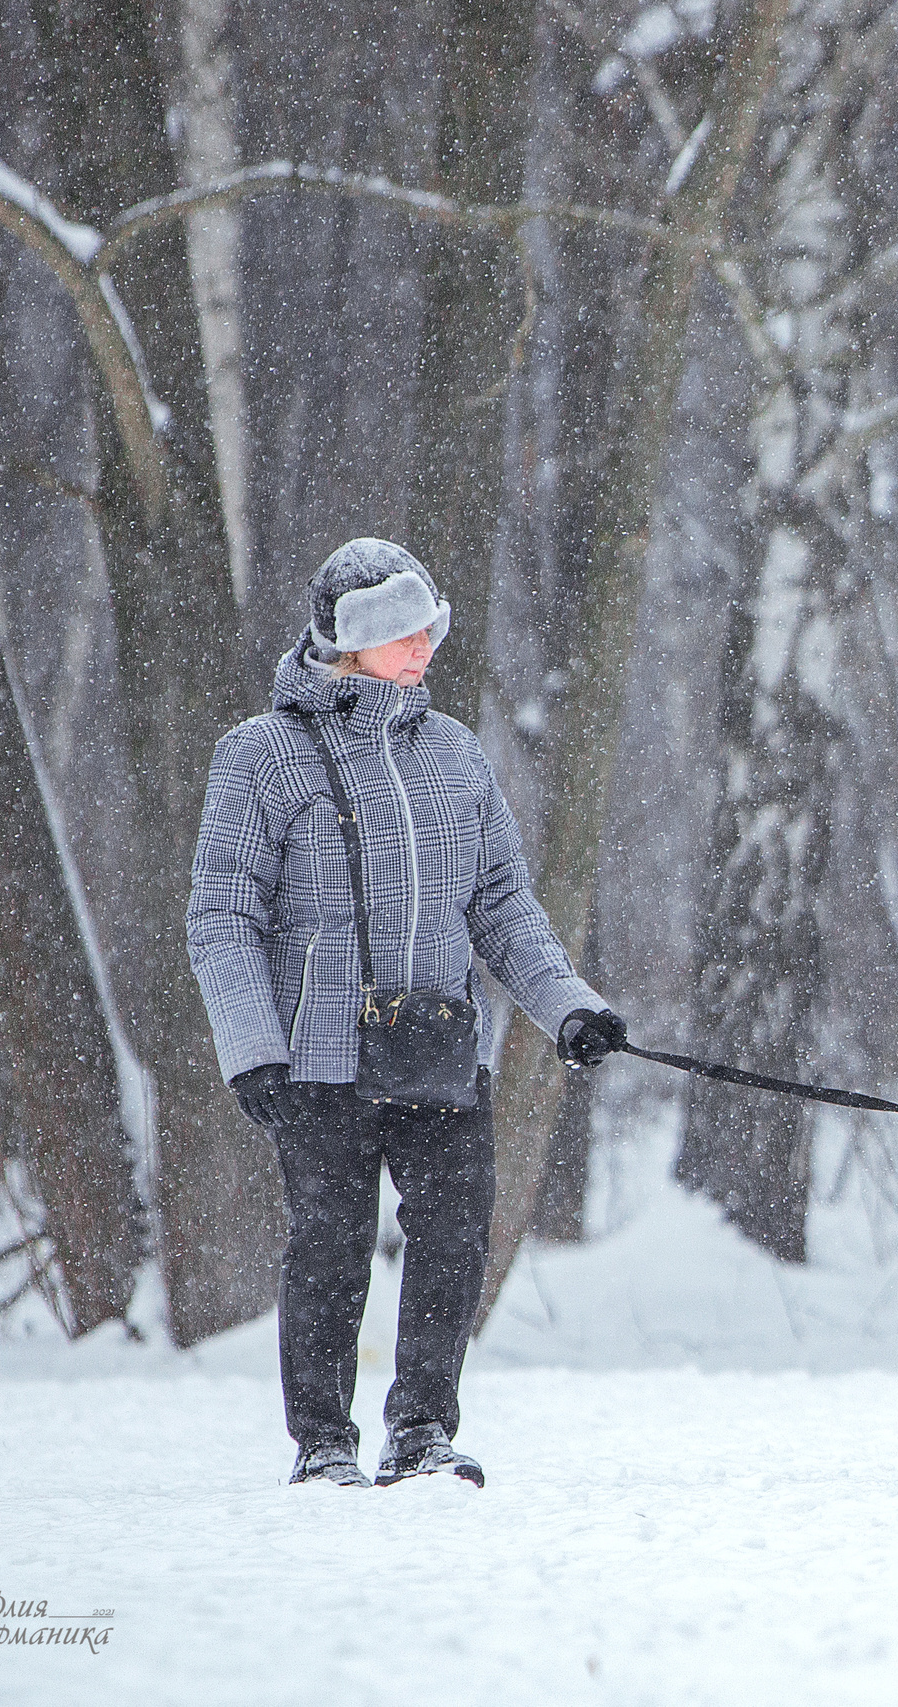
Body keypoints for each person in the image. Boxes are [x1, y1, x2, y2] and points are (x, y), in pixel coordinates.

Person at [186, 538, 626, 1488]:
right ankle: (324, 1442)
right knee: (331, 1247)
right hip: (316, 1058)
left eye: (427, 625)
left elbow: (503, 905)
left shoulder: (455, 753)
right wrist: (253, 1047)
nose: (422, 644)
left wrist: (571, 1010)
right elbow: (221, 913)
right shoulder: (260, 756)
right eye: (398, 630)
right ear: (344, 639)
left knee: (455, 1235)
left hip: (437, 1050)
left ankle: (423, 1430)